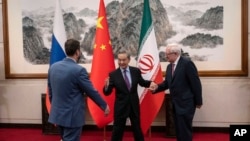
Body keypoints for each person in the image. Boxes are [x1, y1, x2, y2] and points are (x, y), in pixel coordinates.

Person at [48, 39, 110, 141]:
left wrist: (56, 108)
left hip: (57, 114)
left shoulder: (53, 68)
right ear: (77, 52)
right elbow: (91, 91)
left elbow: (51, 92)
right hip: (72, 117)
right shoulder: (79, 70)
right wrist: (104, 105)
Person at [150, 43, 203, 141]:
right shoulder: (170, 66)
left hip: (186, 103)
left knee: (185, 130)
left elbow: (195, 83)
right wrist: (156, 87)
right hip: (175, 103)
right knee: (179, 130)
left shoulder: (187, 63)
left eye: (167, 54)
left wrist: (198, 101)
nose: (165, 56)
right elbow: (167, 83)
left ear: (175, 53)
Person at [103, 50, 155, 141]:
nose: (121, 62)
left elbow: (142, 82)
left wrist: (152, 84)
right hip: (121, 107)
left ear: (129, 60)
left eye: (124, 60)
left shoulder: (136, 71)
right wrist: (106, 86)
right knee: (117, 130)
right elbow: (107, 92)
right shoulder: (113, 74)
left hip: (134, 105)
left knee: (137, 129)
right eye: (119, 60)